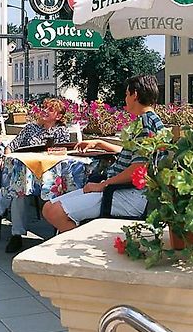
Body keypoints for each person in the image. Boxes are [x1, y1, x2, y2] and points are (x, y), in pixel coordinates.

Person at [42, 74, 164, 233]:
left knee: (54, 211)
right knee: (49, 208)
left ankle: (78, 247)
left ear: (135, 95)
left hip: (125, 195)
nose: (125, 98)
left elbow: (138, 169)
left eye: (127, 94)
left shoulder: (143, 124)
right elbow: (133, 156)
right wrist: (100, 143)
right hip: (125, 192)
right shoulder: (153, 121)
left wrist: (101, 185)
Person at [0, 98, 70, 253]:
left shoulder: (62, 131)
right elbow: (11, 146)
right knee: (18, 190)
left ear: (59, 116)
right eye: (44, 107)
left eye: (50, 109)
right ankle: (16, 235)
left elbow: (63, 152)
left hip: (48, 175)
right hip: (26, 175)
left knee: (16, 185)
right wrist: (5, 157)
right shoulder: (30, 128)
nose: (45, 110)